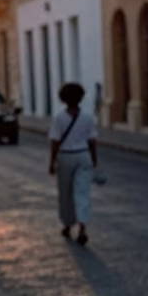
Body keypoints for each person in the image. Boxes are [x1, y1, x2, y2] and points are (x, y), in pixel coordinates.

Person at [48, 82, 98, 246]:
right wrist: (94, 159)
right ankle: (83, 227)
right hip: (83, 155)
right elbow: (92, 141)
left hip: (66, 156)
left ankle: (68, 224)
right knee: (82, 192)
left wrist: (52, 162)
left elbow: (55, 142)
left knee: (66, 194)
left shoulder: (59, 118)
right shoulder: (87, 117)